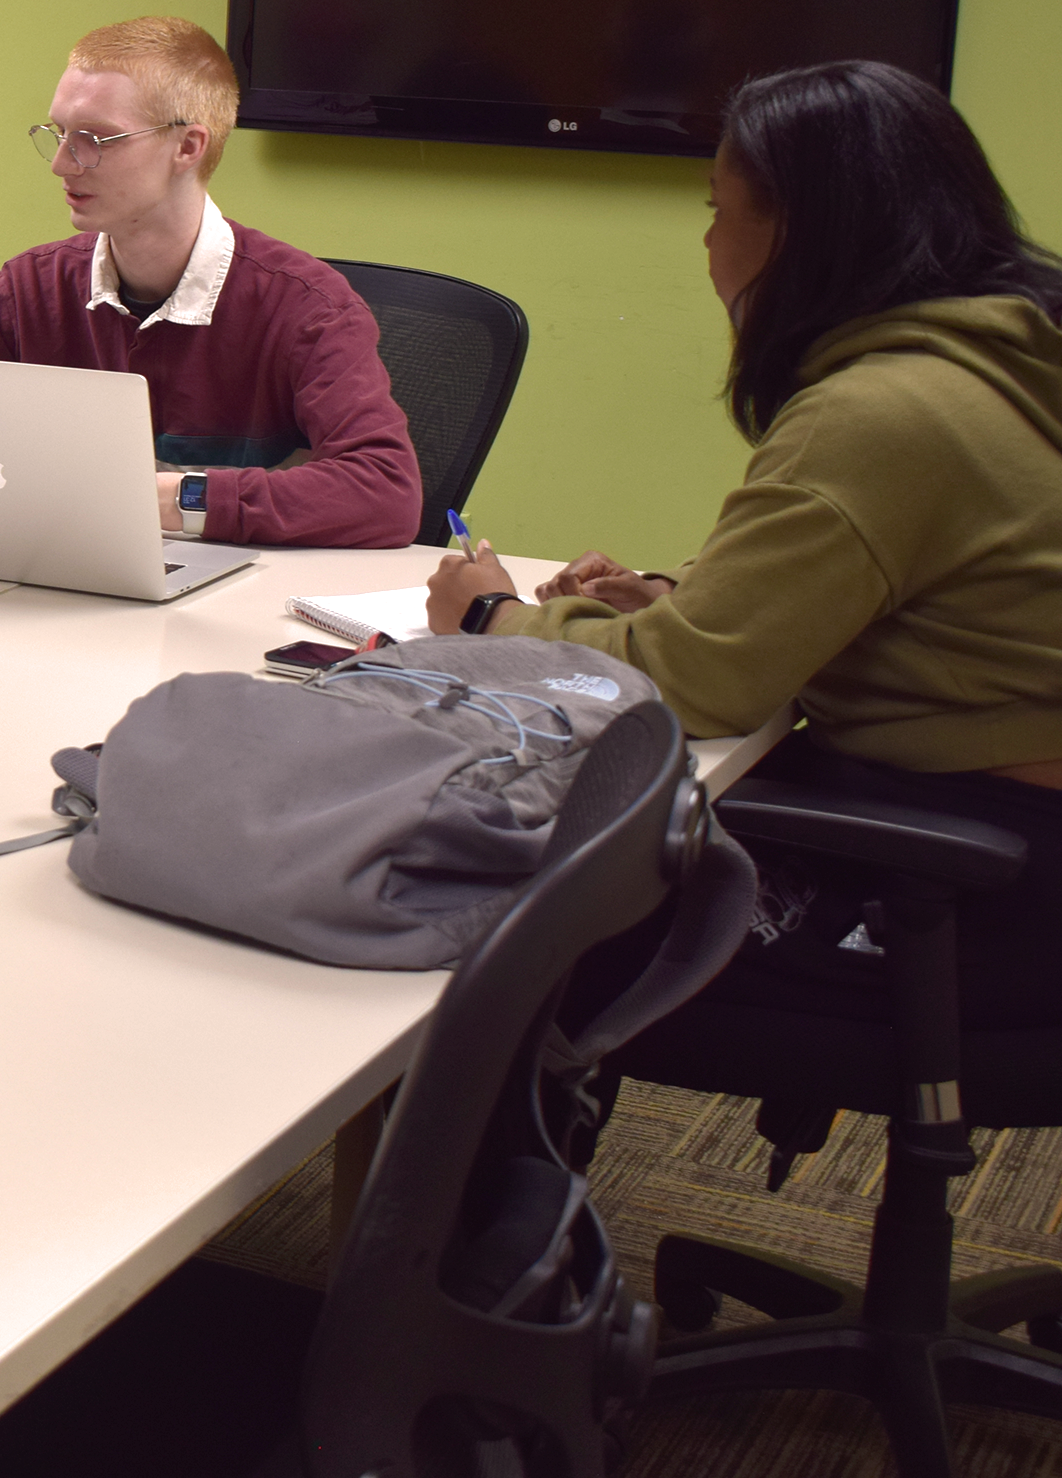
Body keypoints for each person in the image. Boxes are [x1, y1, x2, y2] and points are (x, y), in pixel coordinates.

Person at [429, 60, 1062, 1083]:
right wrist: (685, 600)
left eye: (719, 211)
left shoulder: (881, 412)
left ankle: (475, 1241)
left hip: (979, 894)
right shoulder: (1011, 357)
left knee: (493, 929)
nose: (710, 246)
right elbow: (925, 599)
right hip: (995, 840)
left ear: (799, 236)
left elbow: (694, 685)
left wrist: (490, 613)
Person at [0, 16, 420, 547]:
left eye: (93, 138)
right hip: (60, 577)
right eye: (58, 133)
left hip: (238, 603)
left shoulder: (307, 308)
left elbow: (386, 493)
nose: (61, 164)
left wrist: (161, 497)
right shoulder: (29, 288)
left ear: (188, 147)